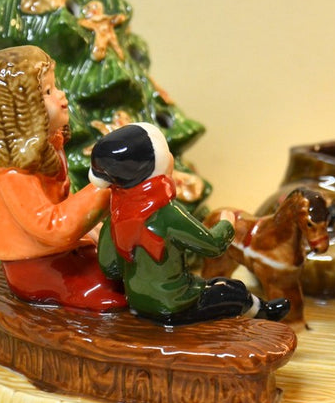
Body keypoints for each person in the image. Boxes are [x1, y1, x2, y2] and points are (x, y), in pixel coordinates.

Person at [0, 45, 128, 311]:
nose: (61, 95)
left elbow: (62, 204)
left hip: (63, 253)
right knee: (108, 289)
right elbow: (50, 227)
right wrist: (102, 189)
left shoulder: (47, 148)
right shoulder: (11, 172)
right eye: (47, 92)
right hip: (35, 267)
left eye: (55, 86)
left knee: (123, 268)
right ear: (17, 112)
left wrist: (91, 229)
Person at [90, 123, 291, 325]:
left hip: (138, 302)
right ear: (156, 165)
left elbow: (111, 268)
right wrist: (227, 223)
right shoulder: (167, 214)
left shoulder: (116, 214)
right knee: (231, 290)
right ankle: (264, 312)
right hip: (174, 303)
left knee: (211, 284)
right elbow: (213, 245)